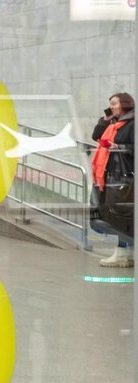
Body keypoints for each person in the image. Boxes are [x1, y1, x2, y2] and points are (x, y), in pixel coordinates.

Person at [91, 92, 135, 267]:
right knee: (115, 215)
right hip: (108, 176)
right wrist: (105, 120)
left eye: (114, 104)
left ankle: (122, 254)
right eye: (110, 104)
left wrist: (119, 147)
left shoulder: (132, 124)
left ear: (124, 104)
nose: (111, 107)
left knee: (121, 216)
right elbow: (96, 136)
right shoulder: (112, 123)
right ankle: (125, 254)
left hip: (124, 177)